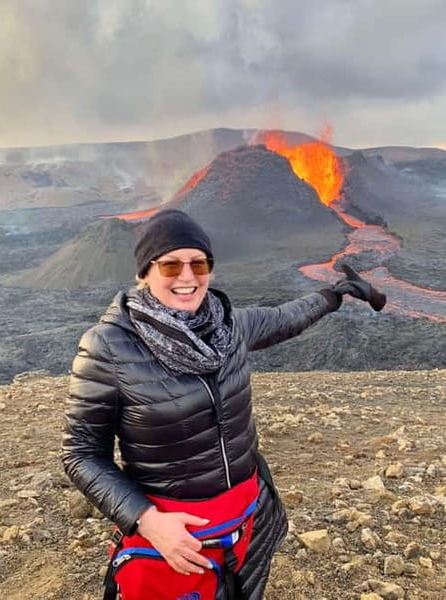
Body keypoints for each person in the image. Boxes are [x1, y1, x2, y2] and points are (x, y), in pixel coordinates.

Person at [62, 209, 385, 600]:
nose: (187, 277)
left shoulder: (227, 326)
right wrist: (146, 521)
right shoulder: (108, 346)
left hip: (247, 514)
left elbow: (284, 318)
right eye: (170, 265)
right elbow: (81, 454)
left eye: (199, 264)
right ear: (144, 272)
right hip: (176, 533)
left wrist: (335, 294)